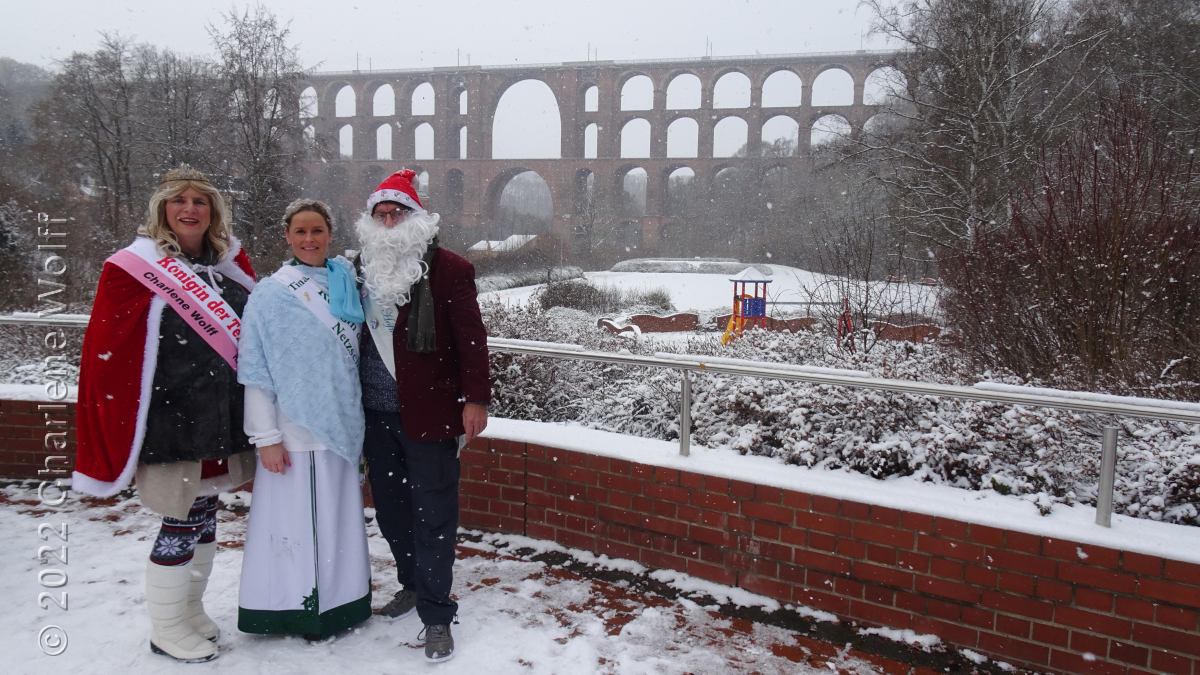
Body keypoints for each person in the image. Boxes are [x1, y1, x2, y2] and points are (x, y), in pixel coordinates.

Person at [73, 164, 258, 663]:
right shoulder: (131, 268)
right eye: (181, 201)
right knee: (179, 521)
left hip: (219, 417)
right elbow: (110, 348)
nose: (191, 209)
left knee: (205, 516)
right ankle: (166, 625)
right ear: (163, 209)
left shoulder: (229, 265)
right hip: (171, 421)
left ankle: (190, 610)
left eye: (201, 201)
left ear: (213, 211)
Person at [356, 169, 490, 663]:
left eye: (398, 213)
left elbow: (472, 340)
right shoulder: (358, 268)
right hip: (375, 416)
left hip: (430, 416)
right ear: (371, 221)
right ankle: (412, 584)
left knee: (434, 517)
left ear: (417, 219)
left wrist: (476, 399)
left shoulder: (451, 269)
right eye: (381, 214)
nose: (389, 222)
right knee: (391, 513)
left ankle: (437, 615)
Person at [235, 198, 372, 640]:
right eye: (301, 232)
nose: (310, 239)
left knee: (337, 521)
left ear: (330, 234)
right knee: (293, 524)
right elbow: (256, 368)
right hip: (292, 427)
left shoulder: (346, 282)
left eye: (317, 230)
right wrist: (265, 436)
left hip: (343, 420)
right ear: (288, 237)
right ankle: (290, 608)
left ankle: (340, 603)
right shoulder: (271, 292)